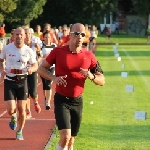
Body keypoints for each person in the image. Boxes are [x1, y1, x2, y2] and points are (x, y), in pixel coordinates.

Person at [38, 23, 105, 150]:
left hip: (77, 101)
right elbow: (41, 69)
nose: (80, 37)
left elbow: (102, 80)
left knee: (71, 142)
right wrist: (53, 78)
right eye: (77, 34)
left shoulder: (89, 56)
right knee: (65, 137)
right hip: (62, 100)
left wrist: (92, 76)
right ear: (70, 35)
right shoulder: (58, 51)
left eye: (82, 34)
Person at [0, 27, 38, 140]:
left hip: (22, 81)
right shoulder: (7, 48)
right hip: (10, 80)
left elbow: (35, 65)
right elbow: (1, 60)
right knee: (11, 109)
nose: (19, 37)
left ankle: (19, 131)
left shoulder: (29, 50)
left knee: (22, 109)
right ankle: (13, 116)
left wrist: (32, 69)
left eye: (21, 35)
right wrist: (2, 69)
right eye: (17, 34)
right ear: (13, 36)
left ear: (25, 36)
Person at [24, 28, 41, 118]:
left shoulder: (34, 45)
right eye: (25, 33)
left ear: (31, 35)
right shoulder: (20, 45)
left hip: (33, 70)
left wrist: (38, 51)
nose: (26, 35)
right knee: (25, 91)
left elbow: (40, 56)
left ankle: (35, 102)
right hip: (23, 71)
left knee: (33, 92)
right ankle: (28, 111)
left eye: (28, 33)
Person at [40, 31, 57, 110]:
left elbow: (57, 56)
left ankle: (48, 102)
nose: (47, 39)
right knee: (45, 84)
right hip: (43, 67)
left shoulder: (54, 46)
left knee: (49, 83)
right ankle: (46, 98)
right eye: (46, 37)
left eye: (49, 37)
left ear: (51, 38)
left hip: (52, 66)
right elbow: (38, 55)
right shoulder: (41, 45)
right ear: (43, 38)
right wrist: (43, 56)